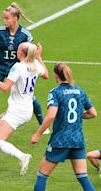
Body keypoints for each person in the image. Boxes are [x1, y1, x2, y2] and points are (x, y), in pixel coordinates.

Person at [0, 2, 50, 135]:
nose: (4, 21)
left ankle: (43, 125)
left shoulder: (25, 34)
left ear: (15, 19)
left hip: (16, 69)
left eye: (7, 18)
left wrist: (34, 63)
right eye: (3, 18)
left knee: (29, 97)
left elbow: (29, 52)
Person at [0, 42, 48, 176]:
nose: (16, 50)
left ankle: (22, 156)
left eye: (18, 49)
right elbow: (46, 75)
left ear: (21, 53)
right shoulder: (35, 64)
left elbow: (4, 88)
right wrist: (39, 57)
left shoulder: (18, 67)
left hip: (17, 111)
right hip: (26, 108)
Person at [31, 63, 97, 191]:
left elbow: (51, 116)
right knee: (82, 176)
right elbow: (93, 113)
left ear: (56, 76)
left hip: (60, 140)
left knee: (42, 175)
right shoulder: (80, 91)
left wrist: (38, 133)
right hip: (78, 140)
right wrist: (78, 115)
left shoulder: (55, 92)